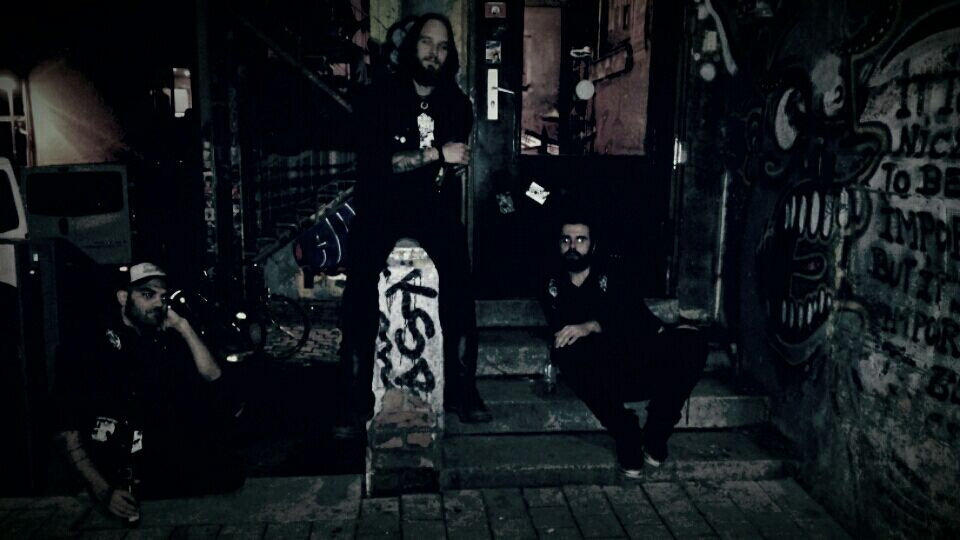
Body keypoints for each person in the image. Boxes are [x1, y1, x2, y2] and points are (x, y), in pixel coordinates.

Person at [335, 12, 491, 434]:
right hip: (381, 206)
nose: (433, 53)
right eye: (426, 42)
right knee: (360, 289)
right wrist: (436, 154)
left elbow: (453, 168)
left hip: (432, 208)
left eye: (442, 47)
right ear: (411, 46)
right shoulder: (379, 98)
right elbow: (374, 166)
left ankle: (463, 389)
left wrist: (450, 167)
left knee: (460, 285)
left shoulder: (457, 105)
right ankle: (352, 398)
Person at [55, 262, 244, 521]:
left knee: (229, 472)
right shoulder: (92, 345)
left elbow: (213, 378)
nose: (158, 303)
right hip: (116, 466)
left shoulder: (161, 339)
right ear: (123, 298)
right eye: (147, 294)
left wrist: (184, 327)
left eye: (163, 297)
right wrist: (103, 490)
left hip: (157, 461)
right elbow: (66, 428)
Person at [538, 212, 707, 477]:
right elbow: (562, 325)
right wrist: (587, 329)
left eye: (580, 240)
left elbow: (634, 319)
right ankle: (626, 433)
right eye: (566, 240)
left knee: (692, 343)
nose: (572, 247)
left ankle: (657, 432)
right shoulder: (551, 282)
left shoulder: (613, 272)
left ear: (593, 245)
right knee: (568, 349)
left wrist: (592, 325)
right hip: (600, 375)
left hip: (635, 360)